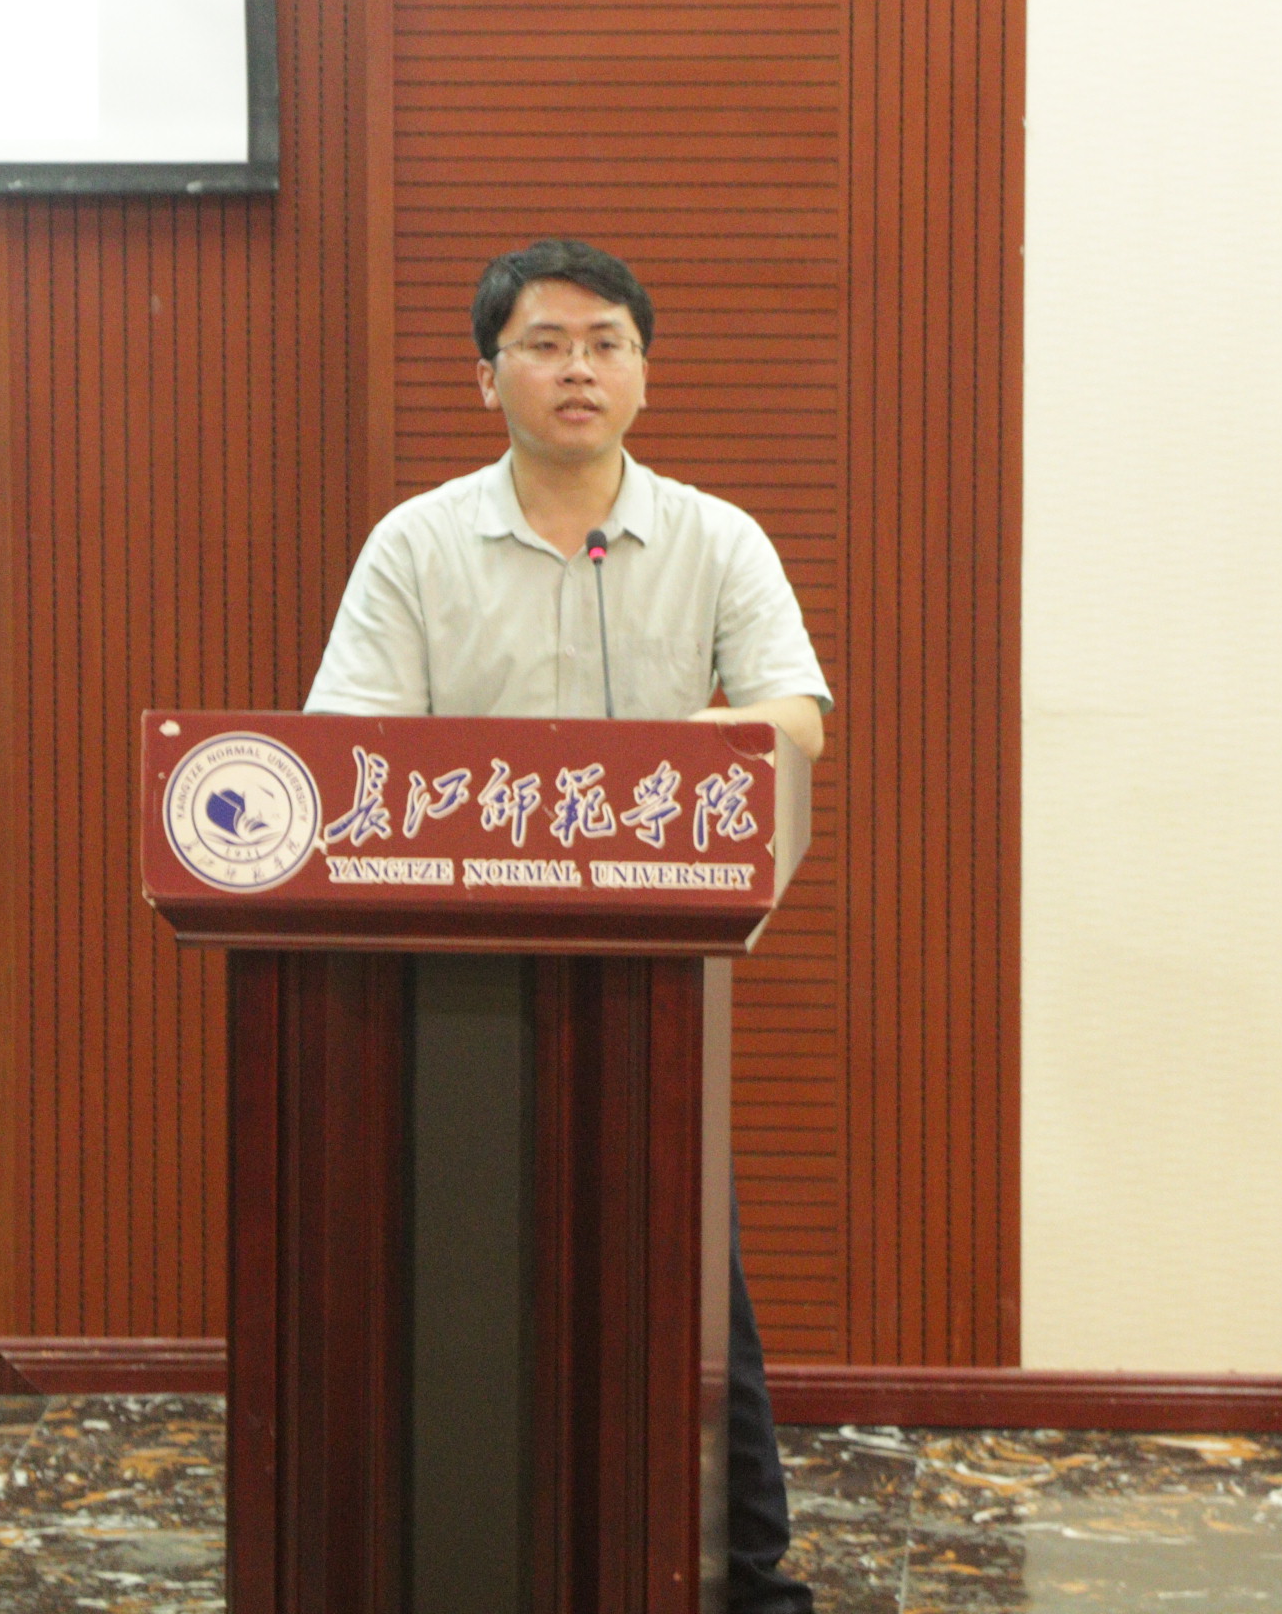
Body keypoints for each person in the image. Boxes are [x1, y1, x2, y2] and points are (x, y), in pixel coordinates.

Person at [307, 236, 827, 1614]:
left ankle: (747, 1577)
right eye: (544, 345)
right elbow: (349, 747)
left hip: (653, 980)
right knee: (452, 1274)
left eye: (606, 344)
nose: (577, 369)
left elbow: (796, 716)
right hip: (449, 986)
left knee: (691, 1282)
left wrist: (696, 745)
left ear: (645, 374)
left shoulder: (715, 538)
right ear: (489, 378)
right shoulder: (417, 544)